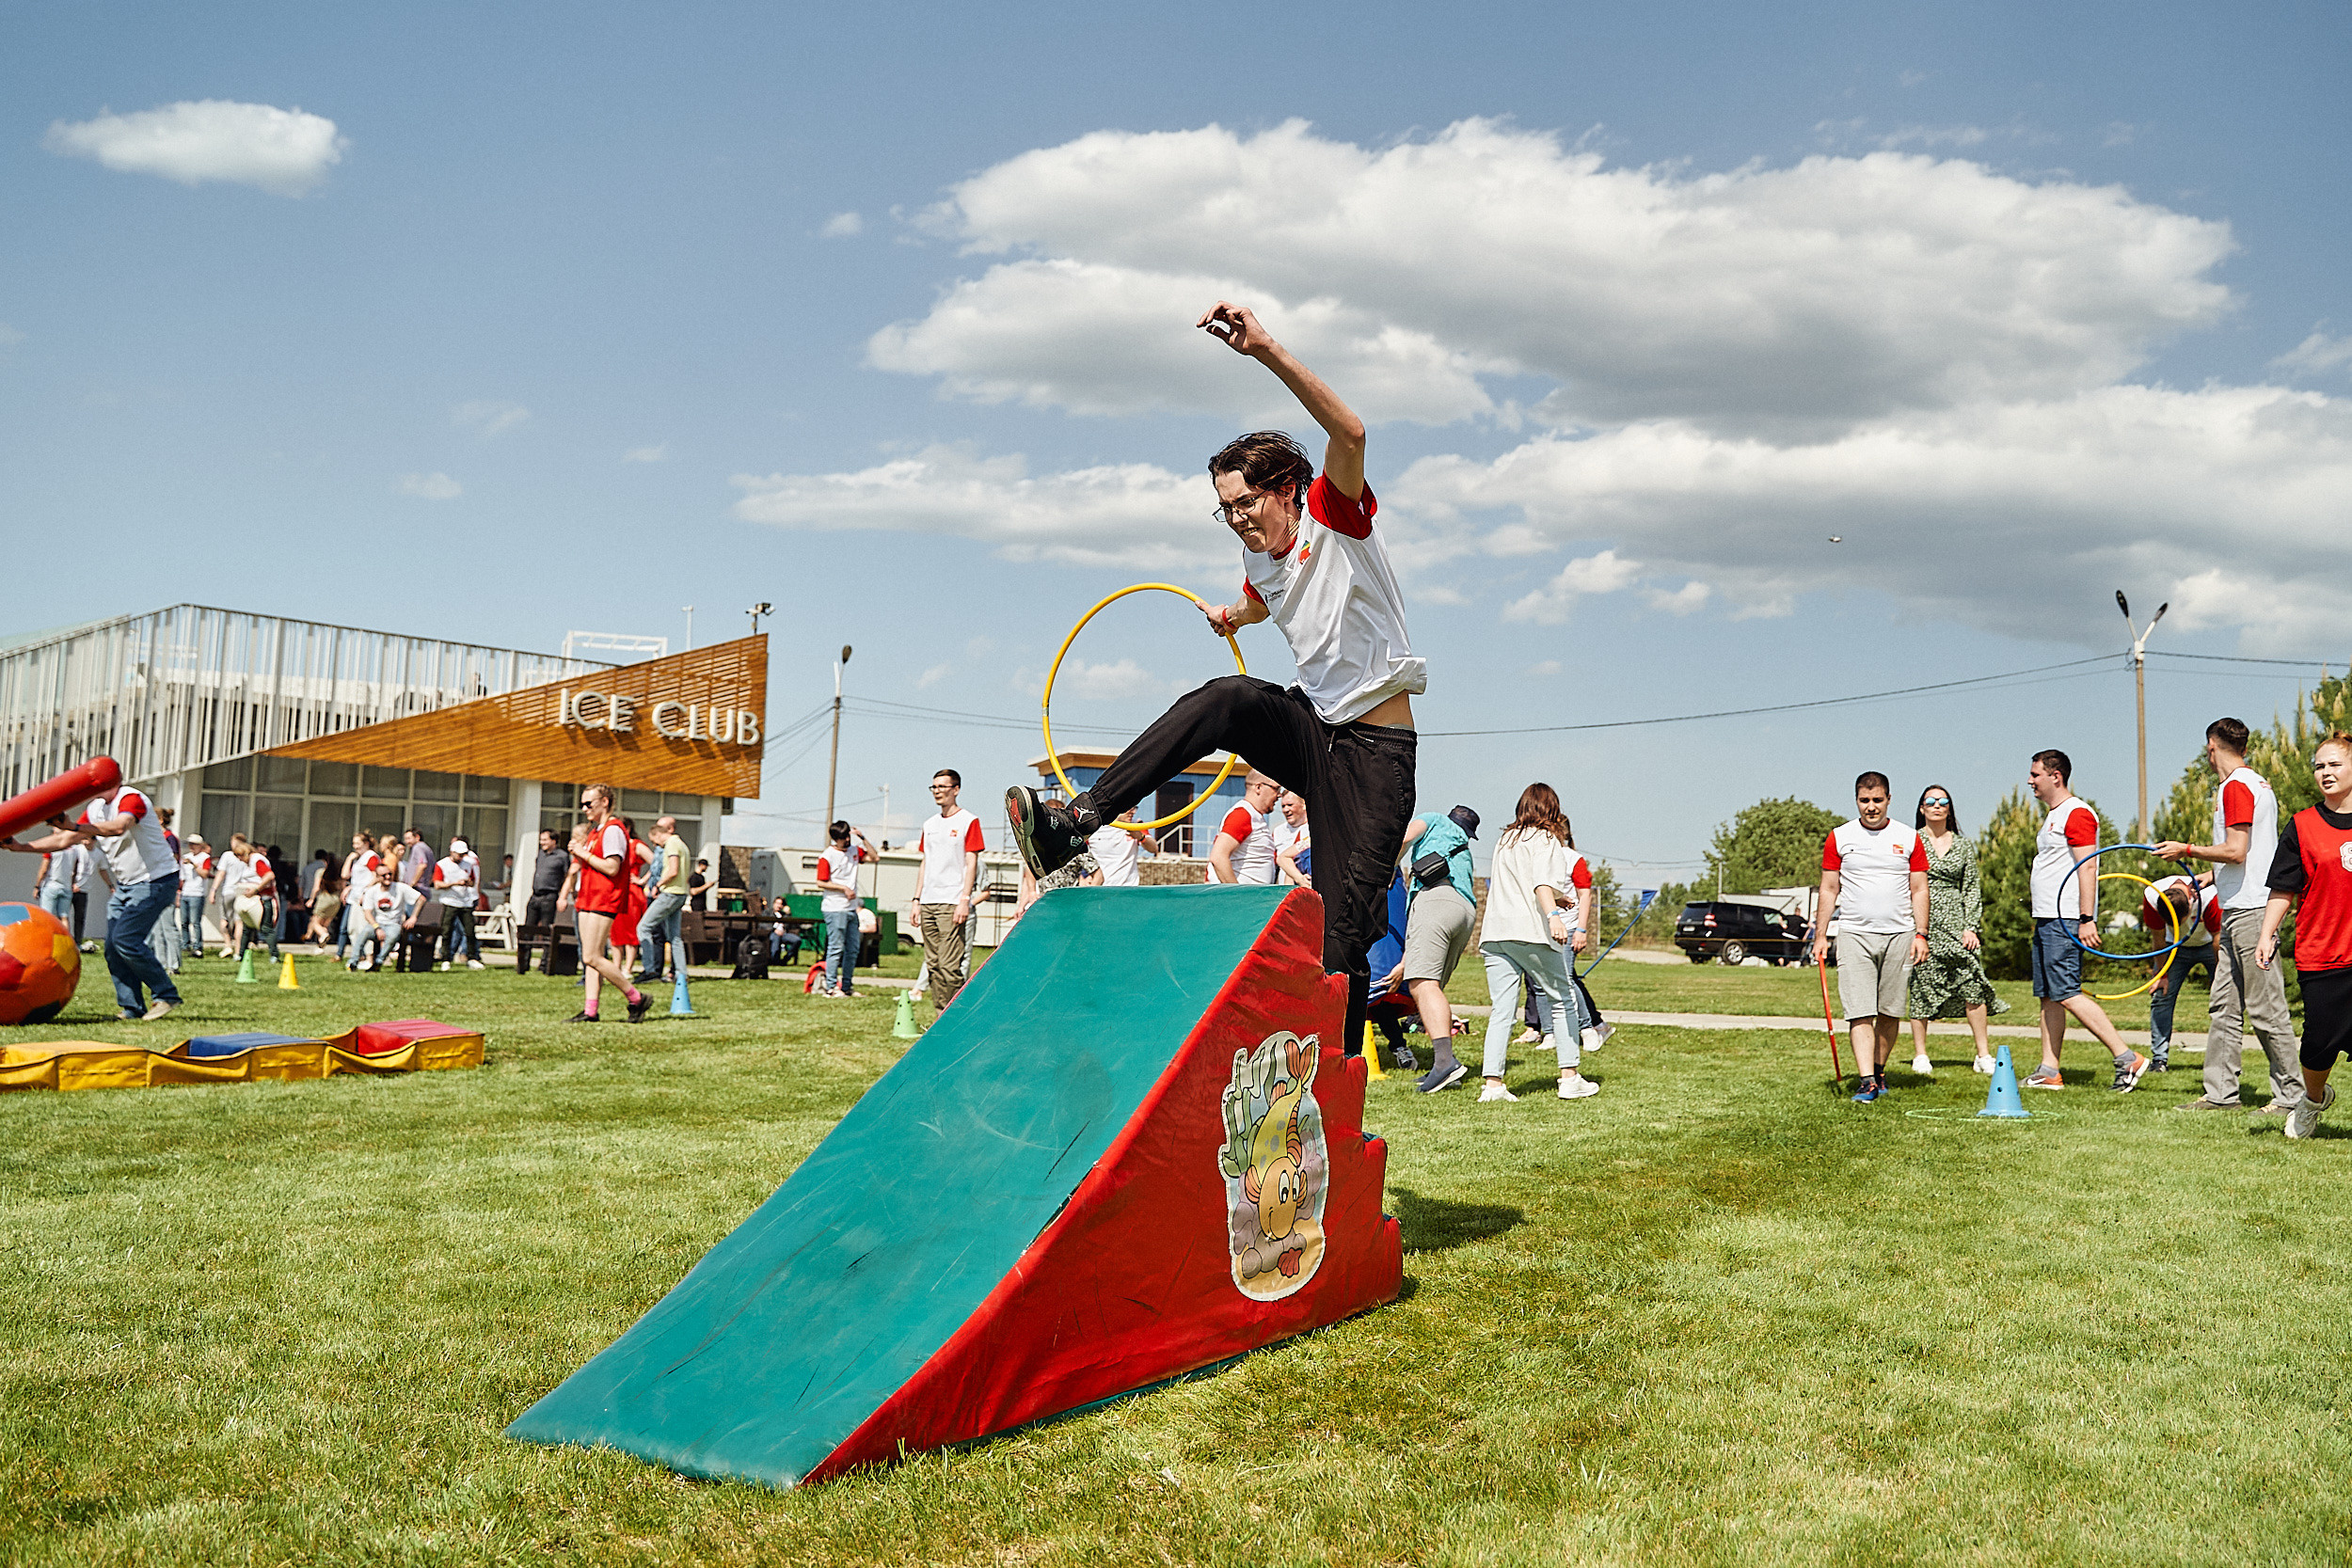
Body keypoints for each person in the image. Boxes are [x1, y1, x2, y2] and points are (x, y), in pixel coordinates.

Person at [1007, 302, 1424, 1054]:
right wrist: (1233, 617)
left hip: (1373, 756)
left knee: (1339, 941)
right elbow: (1267, 597)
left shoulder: (1336, 515)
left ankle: (1335, 1100)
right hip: (1314, 732)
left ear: (1289, 487)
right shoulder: (1260, 557)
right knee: (1225, 697)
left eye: (1247, 502)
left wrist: (1264, 348)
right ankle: (1075, 824)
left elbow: (1352, 432)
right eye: (1224, 508)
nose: (1236, 518)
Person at [2154, 718, 2305, 1117]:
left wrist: (2185, 850)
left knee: (2265, 1007)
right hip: (2241, 906)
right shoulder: (2257, 783)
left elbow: (2237, 850)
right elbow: (2251, 853)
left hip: (2253, 911)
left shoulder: (2236, 786)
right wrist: (2208, 877)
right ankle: (2221, 1093)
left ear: (2211, 747)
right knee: (2224, 1005)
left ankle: (2293, 1095)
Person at [2020, 750, 2153, 1092]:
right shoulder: (2055, 816)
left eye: (2035, 774)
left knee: (2067, 992)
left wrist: (2086, 918)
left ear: (2056, 776)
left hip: (2065, 919)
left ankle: (2127, 1057)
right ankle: (2050, 1070)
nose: (2030, 780)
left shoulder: (2077, 813)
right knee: (2049, 996)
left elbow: (2088, 867)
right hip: (2047, 918)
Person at [4, 773, 182, 1021]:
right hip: (127, 885)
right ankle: (132, 1008)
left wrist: (73, 826)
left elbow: (119, 827)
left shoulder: (131, 798)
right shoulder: (96, 807)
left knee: (126, 940)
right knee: (112, 948)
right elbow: (66, 838)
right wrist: (21, 846)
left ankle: (166, 994)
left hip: (156, 881)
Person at [1471, 784, 1595, 1103]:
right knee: (1563, 998)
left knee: (1502, 1009)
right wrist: (1553, 914)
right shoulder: (1548, 839)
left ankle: (1493, 1085)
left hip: (1496, 933)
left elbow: (1522, 883)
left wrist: (1558, 897)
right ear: (1552, 809)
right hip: (1530, 933)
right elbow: (1540, 883)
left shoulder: (1505, 840)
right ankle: (1570, 1077)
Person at [1814, 772, 1930, 1103]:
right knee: (1859, 1010)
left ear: (1889, 799)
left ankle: (1879, 1070)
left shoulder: (1908, 838)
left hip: (1900, 933)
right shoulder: (1840, 837)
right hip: (1854, 933)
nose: (1871, 807)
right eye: (1865, 801)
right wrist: (1821, 934)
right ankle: (1866, 1081)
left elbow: (1920, 888)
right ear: (1856, 801)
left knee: (1890, 1011)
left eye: (1877, 800)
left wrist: (1921, 934)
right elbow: (1829, 887)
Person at [2262, 733, 2352, 1138]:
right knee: (2319, 1042)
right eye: (2320, 766)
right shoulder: (2302, 825)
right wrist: (2268, 933)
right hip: (2322, 951)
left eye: (2334, 764)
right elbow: (2284, 887)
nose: (2325, 772)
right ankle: (2313, 1100)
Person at [1905, 784, 2002, 1077]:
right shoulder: (1913, 841)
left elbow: (1971, 887)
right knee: (1922, 986)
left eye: (1943, 801)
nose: (1937, 806)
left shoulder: (1962, 845)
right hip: (1922, 923)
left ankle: (1983, 1053)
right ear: (1921, 808)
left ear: (1950, 808)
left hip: (1958, 925)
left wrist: (1970, 927)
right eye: (1930, 801)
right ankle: (1920, 1055)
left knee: (1973, 984)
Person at [1391, 804, 1480, 1094]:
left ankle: (1444, 1064)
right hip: (1465, 912)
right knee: (1432, 984)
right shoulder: (1463, 847)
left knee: (1423, 985)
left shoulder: (1433, 820)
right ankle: (1442, 1063)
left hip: (1435, 900)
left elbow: (1403, 838)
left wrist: (1389, 869)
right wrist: (1406, 962)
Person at [566, 784, 652, 1022]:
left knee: (592, 956)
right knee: (590, 958)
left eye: (589, 804)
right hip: (589, 897)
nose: (584, 809)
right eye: (582, 804)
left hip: (604, 898)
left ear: (604, 802)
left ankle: (636, 997)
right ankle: (590, 1010)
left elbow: (613, 867)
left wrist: (584, 854)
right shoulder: (595, 831)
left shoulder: (613, 830)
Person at [913, 769, 984, 1013]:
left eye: (943, 786)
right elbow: (925, 862)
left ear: (956, 789)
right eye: (934, 787)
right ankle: (939, 1014)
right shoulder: (929, 824)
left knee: (949, 964)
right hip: (928, 901)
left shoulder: (969, 820)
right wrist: (916, 899)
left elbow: (971, 862)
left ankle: (954, 1015)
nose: (937, 791)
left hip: (952, 902)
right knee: (932, 964)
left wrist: (965, 899)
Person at [2141, 875, 2220, 1082]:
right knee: (2161, 995)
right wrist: (2162, 975)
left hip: (2209, 944)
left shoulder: (2209, 895)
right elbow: (2158, 941)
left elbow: (2219, 943)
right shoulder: (2152, 896)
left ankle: (2222, 1060)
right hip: (2173, 948)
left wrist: (2222, 978)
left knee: (2224, 1001)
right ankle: (2159, 1060)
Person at [814, 819, 876, 996]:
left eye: (848, 836)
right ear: (835, 839)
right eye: (843, 838)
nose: (847, 840)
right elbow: (820, 882)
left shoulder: (854, 851)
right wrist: (843, 888)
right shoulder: (827, 856)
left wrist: (863, 838)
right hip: (835, 907)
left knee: (853, 948)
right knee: (836, 947)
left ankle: (847, 986)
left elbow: (874, 857)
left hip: (851, 908)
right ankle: (831, 987)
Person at [633, 817, 693, 986]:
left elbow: (673, 870)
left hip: (670, 893)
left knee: (643, 927)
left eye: (654, 841)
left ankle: (650, 969)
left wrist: (658, 884)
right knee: (675, 937)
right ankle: (682, 974)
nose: (656, 846)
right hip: (681, 894)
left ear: (659, 835)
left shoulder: (672, 845)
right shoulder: (682, 844)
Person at [1208, 770, 1283, 884]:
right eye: (1276, 789)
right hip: (1242, 898)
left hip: (1252, 896)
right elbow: (1218, 857)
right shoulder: (1243, 814)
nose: (1279, 795)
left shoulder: (1253, 816)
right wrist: (1237, 895)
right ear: (1258, 787)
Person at [346, 862, 421, 972]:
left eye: (390, 874)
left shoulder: (400, 887)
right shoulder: (372, 891)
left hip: (394, 924)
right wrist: (377, 927)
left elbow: (421, 899)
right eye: (384, 875)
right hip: (377, 923)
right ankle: (353, 962)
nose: (388, 877)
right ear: (377, 877)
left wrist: (413, 917)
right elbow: (367, 913)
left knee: (392, 936)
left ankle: (378, 962)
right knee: (363, 934)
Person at [433, 836, 485, 969]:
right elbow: (437, 884)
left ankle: (472, 957)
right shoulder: (442, 864)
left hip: (465, 902)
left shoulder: (468, 864)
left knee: (470, 931)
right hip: (449, 901)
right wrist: (454, 883)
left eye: (463, 855)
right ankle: (445, 958)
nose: (461, 858)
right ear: (452, 852)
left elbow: (473, 881)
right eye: (459, 855)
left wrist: (468, 883)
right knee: (447, 931)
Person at [1086, 807, 1146, 889]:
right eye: (1130, 808)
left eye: (1135, 808)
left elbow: (1154, 848)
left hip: (1129, 888)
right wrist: (1083, 876)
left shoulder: (1136, 825)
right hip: (1101, 888)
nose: (1133, 812)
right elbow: (1079, 856)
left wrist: (1141, 838)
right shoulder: (1094, 828)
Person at [176, 833, 212, 967]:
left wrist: (195, 865)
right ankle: (185, 944)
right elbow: (182, 878)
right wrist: (179, 893)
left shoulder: (205, 858)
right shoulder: (186, 858)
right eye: (190, 844)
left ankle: (198, 947)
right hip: (186, 892)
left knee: (195, 921)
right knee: (184, 921)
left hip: (197, 893)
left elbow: (205, 874)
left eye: (194, 844)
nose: (191, 847)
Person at [526, 829, 568, 929]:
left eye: (545, 840)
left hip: (549, 896)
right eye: (541, 840)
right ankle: (525, 945)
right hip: (535, 895)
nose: (542, 843)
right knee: (528, 926)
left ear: (553, 841)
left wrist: (563, 896)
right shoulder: (540, 853)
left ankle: (545, 946)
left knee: (546, 927)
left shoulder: (562, 856)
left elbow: (567, 876)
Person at [1272, 789, 1311, 887]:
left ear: (1304, 805)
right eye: (1283, 806)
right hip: (1284, 890)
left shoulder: (1314, 829)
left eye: (1290, 805)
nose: (1285, 810)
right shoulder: (1277, 832)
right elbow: (1277, 862)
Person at [304, 861, 345, 946]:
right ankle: (321, 945)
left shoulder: (321, 872)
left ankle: (324, 934)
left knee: (314, 922)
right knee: (324, 924)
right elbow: (342, 888)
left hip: (324, 899)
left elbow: (316, 888)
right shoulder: (339, 874)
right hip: (336, 901)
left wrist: (311, 899)